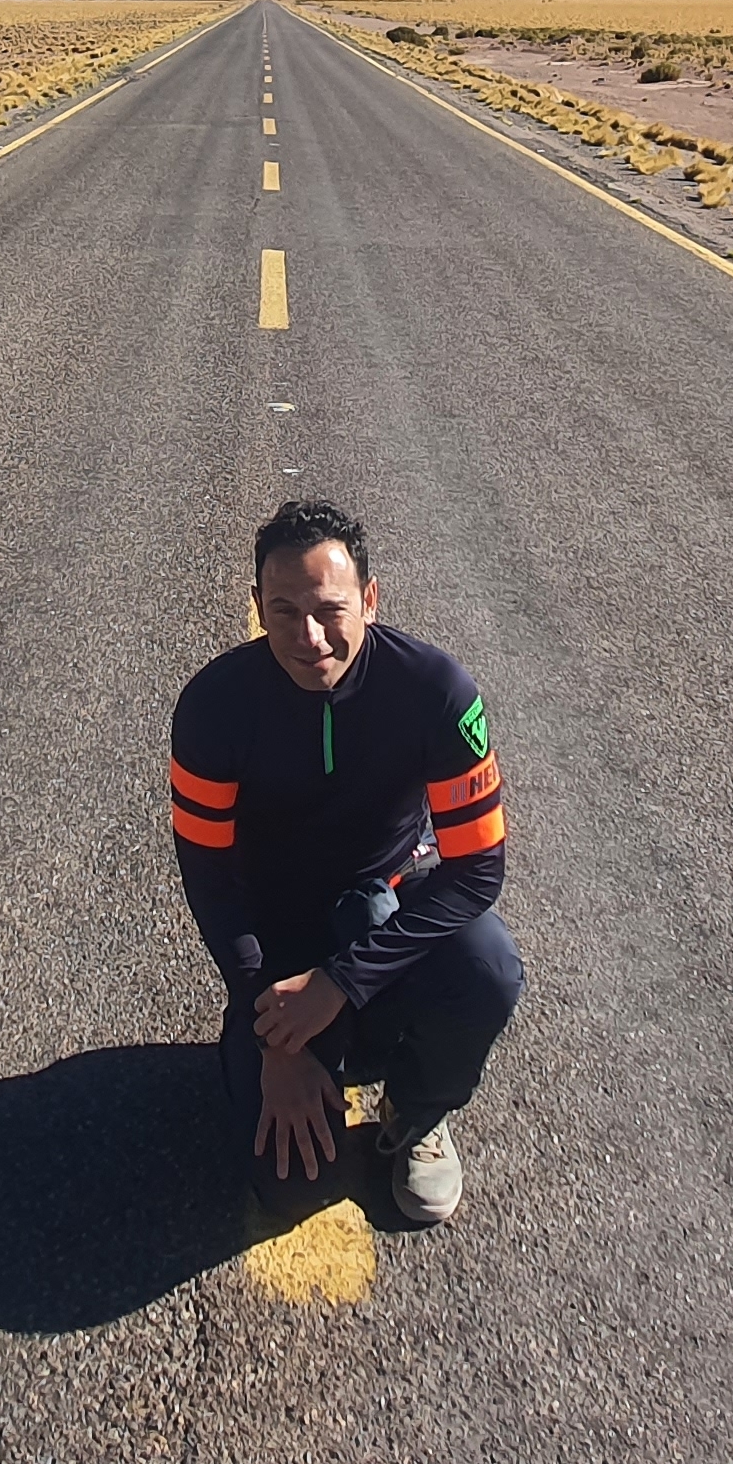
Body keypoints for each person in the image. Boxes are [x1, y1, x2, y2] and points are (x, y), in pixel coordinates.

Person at [166, 499, 526, 1226]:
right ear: (257, 608)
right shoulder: (213, 706)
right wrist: (274, 1034)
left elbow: (477, 871)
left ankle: (417, 1109)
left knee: (488, 965)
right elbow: (209, 878)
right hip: (277, 931)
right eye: (283, 610)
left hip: (384, 904)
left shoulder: (436, 692)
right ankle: (295, 1055)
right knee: (290, 1185)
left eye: (330, 610)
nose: (309, 637)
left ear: (369, 599)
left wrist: (342, 981)